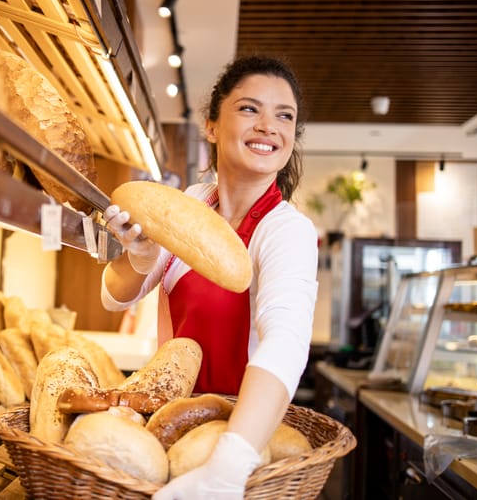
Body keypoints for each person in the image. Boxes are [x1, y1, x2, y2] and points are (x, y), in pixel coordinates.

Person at [101, 55, 318, 499]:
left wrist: (228, 467)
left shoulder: (286, 230)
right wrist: (140, 258)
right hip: (168, 432)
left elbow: (286, 341)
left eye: (285, 116)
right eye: (249, 108)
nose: (268, 126)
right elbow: (114, 297)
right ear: (212, 126)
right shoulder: (191, 204)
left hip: (237, 447)